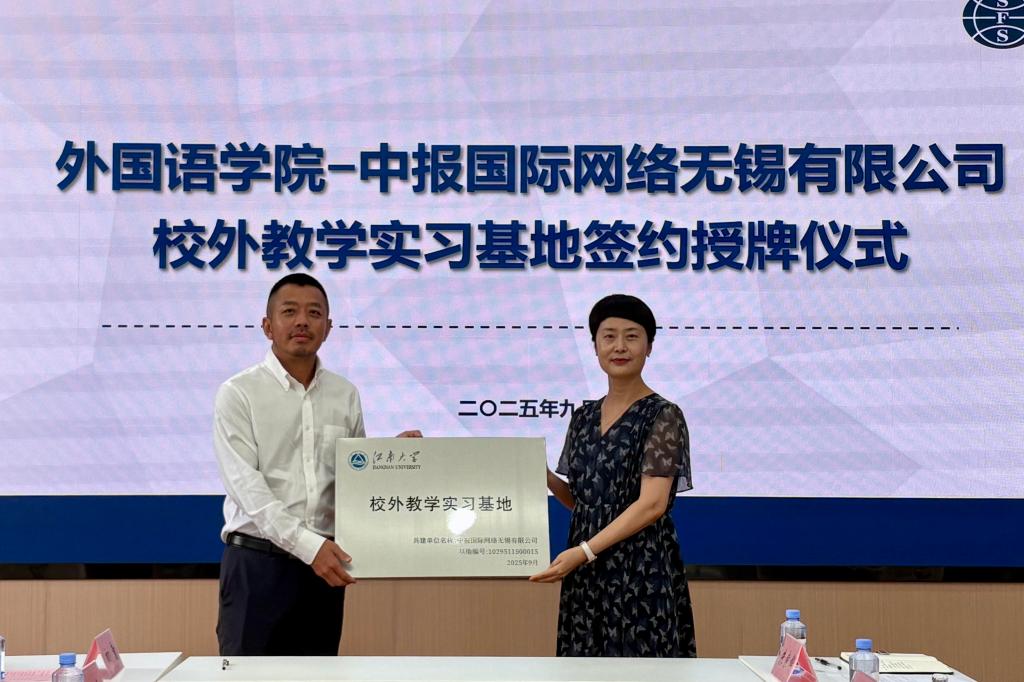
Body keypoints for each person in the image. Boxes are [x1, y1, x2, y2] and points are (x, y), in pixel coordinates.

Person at [213, 273, 420, 655]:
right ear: (267, 326)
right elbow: (247, 487)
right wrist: (308, 546)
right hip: (258, 564)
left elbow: (353, 477)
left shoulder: (345, 394)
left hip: (322, 571)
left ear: (328, 327)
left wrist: (391, 459)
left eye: (314, 313)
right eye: (289, 312)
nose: (302, 322)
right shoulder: (238, 393)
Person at [529, 294, 697, 658]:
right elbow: (582, 500)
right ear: (595, 346)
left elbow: (652, 504)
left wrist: (584, 552)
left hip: (641, 569)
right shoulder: (583, 417)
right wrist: (539, 474)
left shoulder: (663, 415)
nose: (619, 346)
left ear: (649, 347)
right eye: (609, 336)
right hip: (587, 570)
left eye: (632, 336)